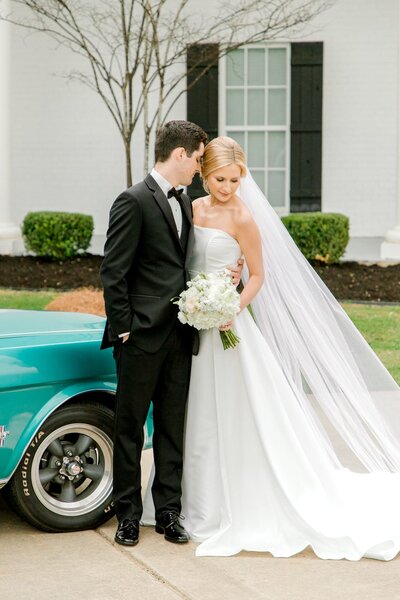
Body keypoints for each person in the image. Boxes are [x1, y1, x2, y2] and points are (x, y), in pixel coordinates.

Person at [172, 136, 400, 560]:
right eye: (220, 179)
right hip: (190, 324)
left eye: (235, 180)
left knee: (239, 415)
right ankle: (195, 503)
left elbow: (257, 276)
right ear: (204, 174)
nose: (228, 188)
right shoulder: (191, 209)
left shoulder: (243, 217)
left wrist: (231, 306)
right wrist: (194, 301)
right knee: (196, 415)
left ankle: (237, 501)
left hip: (227, 328)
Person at [100, 122, 242, 547]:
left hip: (182, 334)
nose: (201, 166)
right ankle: (127, 515)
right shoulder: (132, 200)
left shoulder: (188, 203)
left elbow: (193, 262)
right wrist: (124, 329)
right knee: (130, 429)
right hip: (140, 337)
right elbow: (113, 271)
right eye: (199, 158)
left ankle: (167, 512)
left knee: (171, 426)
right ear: (180, 154)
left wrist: (230, 275)